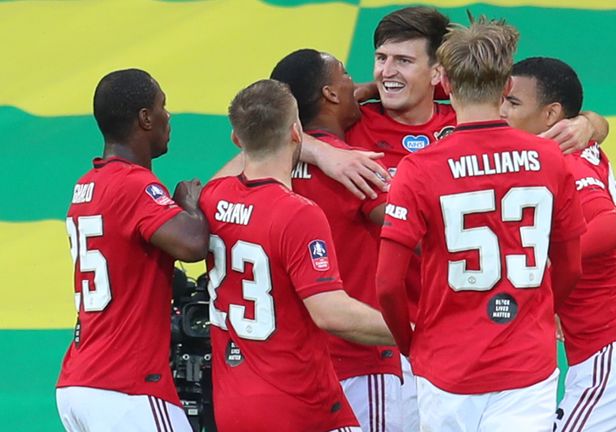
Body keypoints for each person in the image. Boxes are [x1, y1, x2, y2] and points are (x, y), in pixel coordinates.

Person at [376, 18, 586, 432]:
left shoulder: (418, 169)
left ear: (446, 84)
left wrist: (411, 345)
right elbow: (571, 266)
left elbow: (387, 284)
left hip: (446, 367)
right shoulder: (550, 159)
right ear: (507, 85)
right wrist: (539, 315)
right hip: (526, 365)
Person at [501, 57, 616, 432]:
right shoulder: (576, 148)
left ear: (552, 114)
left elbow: (609, 226)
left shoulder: (566, 162)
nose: (502, 111)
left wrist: (538, 271)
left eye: (513, 104)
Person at [201, 79, 395, 432]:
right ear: (296, 131)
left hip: (232, 409)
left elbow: (236, 163)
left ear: (235, 139)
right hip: (301, 406)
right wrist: (416, 332)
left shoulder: (214, 197)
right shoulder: (297, 212)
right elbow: (332, 313)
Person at [56, 68, 209, 431]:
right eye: (162, 107)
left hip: (79, 381)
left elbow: (124, 263)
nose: (167, 116)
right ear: (145, 118)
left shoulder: (86, 185)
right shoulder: (133, 183)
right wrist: (188, 205)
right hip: (127, 388)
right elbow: (193, 244)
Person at [270, 49, 403, 432]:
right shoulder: (357, 167)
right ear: (328, 94)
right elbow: (418, 239)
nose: (355, 83)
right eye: (345, 75)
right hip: (363, 362)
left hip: (294, 369)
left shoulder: (263, 170)